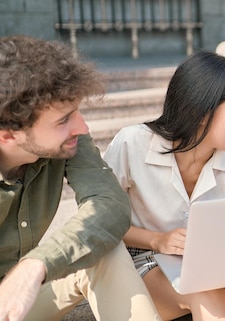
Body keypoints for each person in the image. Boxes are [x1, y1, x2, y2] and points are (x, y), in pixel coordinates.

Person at [103, 51, 225, 321]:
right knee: (203, 285)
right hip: (141, 263)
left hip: (219, 264)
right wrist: (158, 240)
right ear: (203, 111)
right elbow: (98, 222)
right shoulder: (132, 144)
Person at [0, 35, 160, 321]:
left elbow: (109, 207)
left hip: (29, 296)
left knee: (103, 250)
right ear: (8, 135)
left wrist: (35, 265)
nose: (82, 127)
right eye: (63, 121)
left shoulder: (69, 141)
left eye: (76, 112)